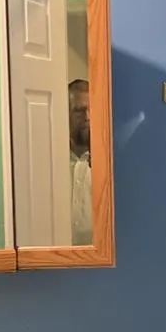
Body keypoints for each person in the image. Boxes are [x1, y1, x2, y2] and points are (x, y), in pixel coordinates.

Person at [69, 78, 91, 244]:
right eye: (80, 111)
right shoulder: (47, 163)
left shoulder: (115, 164)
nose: (88, 117)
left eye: (92, 110)